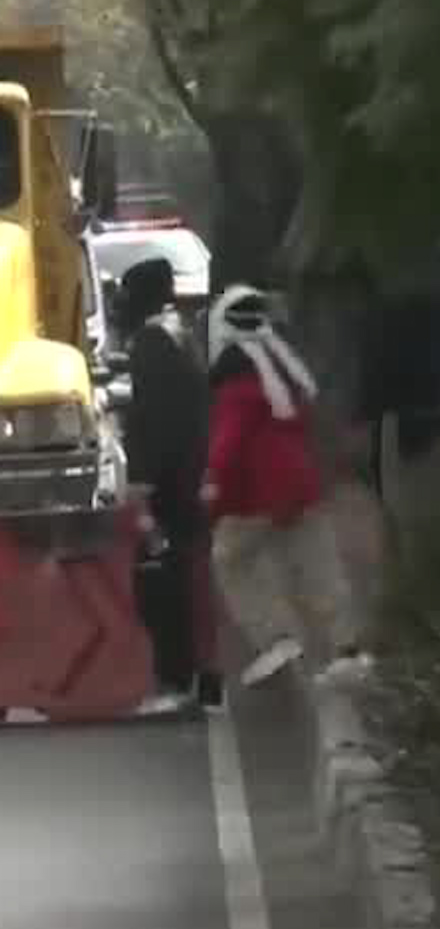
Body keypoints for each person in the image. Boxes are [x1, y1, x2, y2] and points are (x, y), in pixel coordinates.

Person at [205, 285, 371, 690]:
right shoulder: (286, 371)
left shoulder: (235, 380)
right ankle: (348, 652)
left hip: (256, 495)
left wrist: (211, 484)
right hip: (301, 485)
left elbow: (228, 443)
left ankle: (275, 636)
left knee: (231, 559)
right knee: (319, 566)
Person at [117, 259, 219, 711]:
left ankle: (175, 679)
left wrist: (142, 483)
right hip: (192, 475)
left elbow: (153, 420)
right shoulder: (182, 334)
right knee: (189, 581)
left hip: (171, 485)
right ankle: (202, 678)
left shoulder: (152, 342)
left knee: (161, 581)